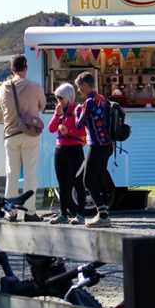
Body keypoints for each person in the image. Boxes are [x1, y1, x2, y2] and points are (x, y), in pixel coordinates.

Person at [0, 55, 46, 222]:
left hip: (11, 134)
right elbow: (43, 105)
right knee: (30, 174)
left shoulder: (4, 87)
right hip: (30, 134)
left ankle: (10, 212)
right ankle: (30, 212)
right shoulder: (35, 87)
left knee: (11, 173)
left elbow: (3, 106)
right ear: (25, 68)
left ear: (12, 69)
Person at [75, 71, 112, 227]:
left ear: (85, 85)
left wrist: (77, 110)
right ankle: (103, 213)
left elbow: (79, 124)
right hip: (108, 145)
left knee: (88, 180)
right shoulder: (101, 99)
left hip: (97, 145)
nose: (78, 90)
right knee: (97, 178)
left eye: (79, 87)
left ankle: (102, 215)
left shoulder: (89, 102)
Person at [48, 83, 87, 225]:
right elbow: (51, 129)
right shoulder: (59, 110)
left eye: (61, 98)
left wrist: (68, 131)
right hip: (60, 150)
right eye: (57, 98)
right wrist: (57, 115)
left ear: (69, 97)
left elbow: (82, 131)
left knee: (78, 183)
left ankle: (81, 214)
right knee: (62, 184)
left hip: (75, 150)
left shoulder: (78, 109)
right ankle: (63, 214)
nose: (58, 101)